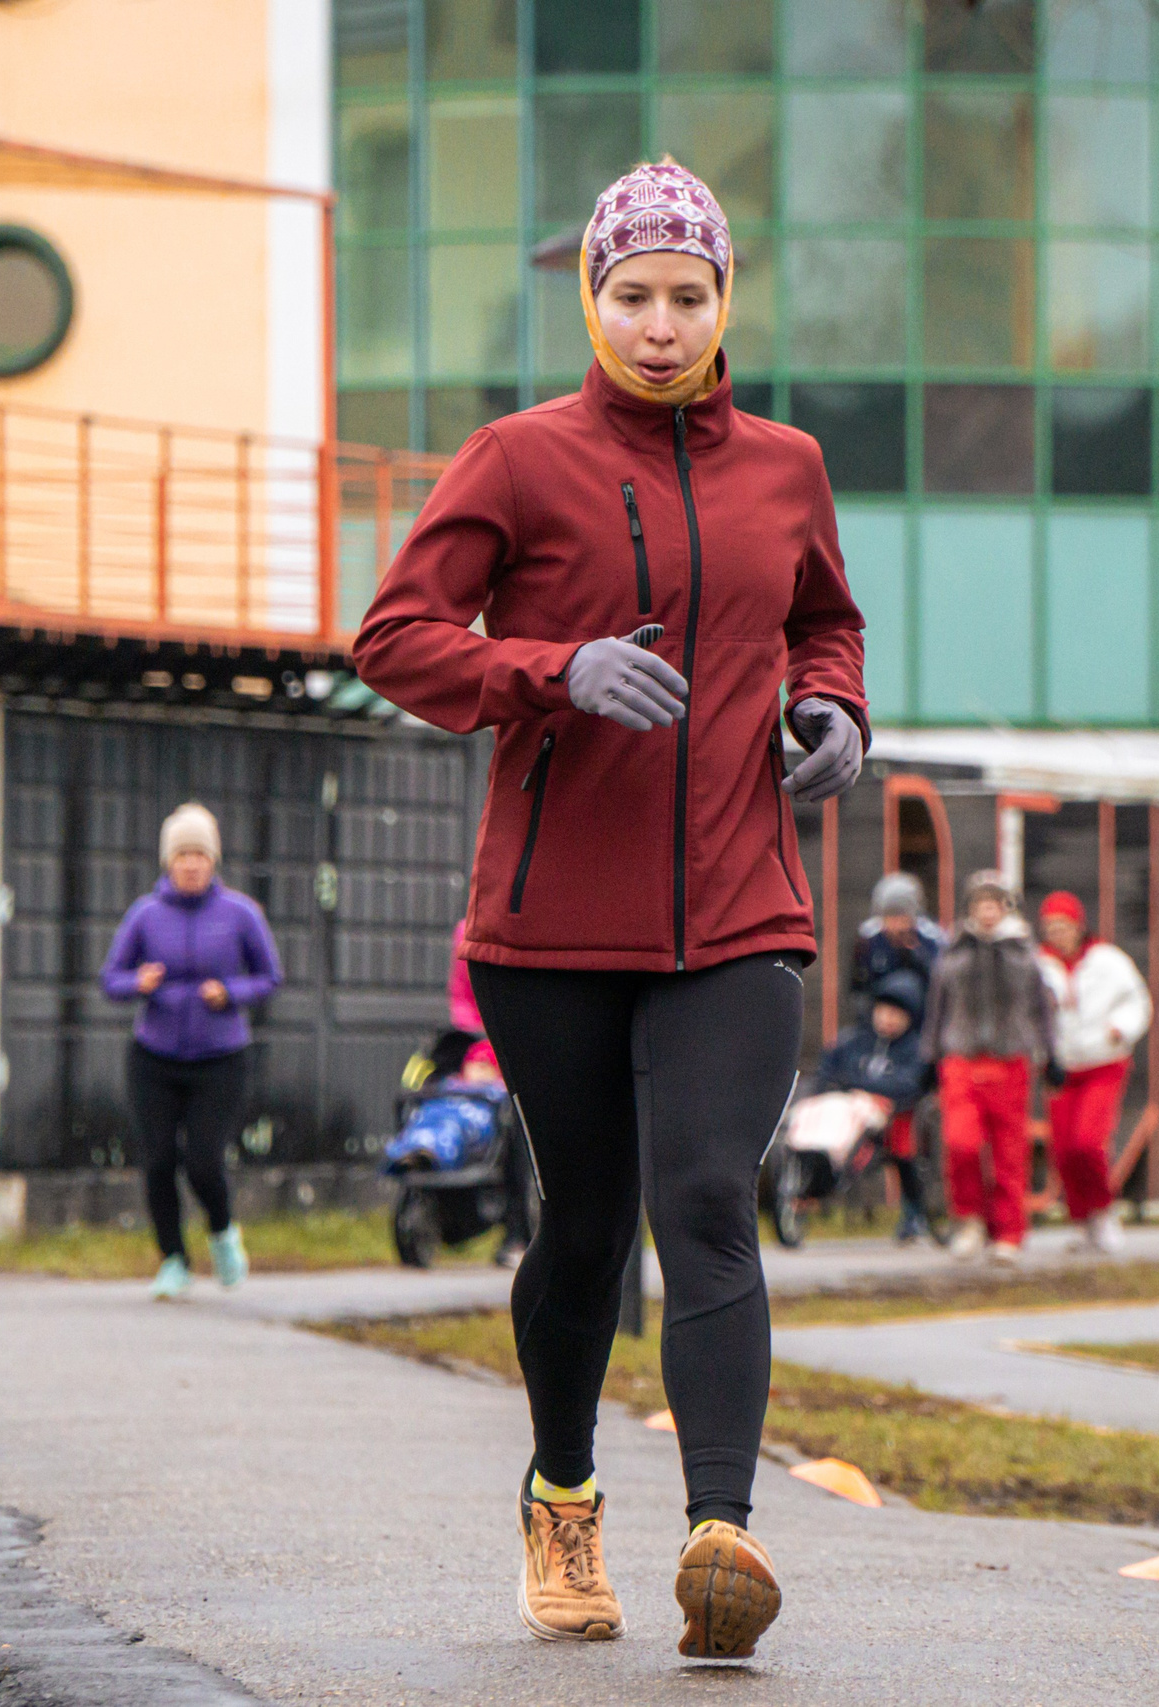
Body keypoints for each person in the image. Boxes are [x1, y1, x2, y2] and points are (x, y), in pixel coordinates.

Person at [351, 158, 866, 1660]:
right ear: (592, 298)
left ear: (724, 302)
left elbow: (822, 621)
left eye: (687, 297)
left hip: (740, 903)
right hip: (554, 921)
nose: (660, 325)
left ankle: (721, 1534)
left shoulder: (789, 466)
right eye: (632, 295)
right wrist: (550, 669)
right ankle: (564, 1494)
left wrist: (834, 706)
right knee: (584, 1224)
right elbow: (394, 637)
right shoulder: (518, 459)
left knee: (705, 1197)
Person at [100, 803, 284, 1300]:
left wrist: (231, 992)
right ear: (168, 861)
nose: (191, 865)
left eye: (200, 855)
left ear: (213, 860)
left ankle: (222, 1233)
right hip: (153, 1056)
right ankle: (173, 1260)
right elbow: (110, 979)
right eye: (182, 855)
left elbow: (270, 977)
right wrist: (138, 982)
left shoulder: (240, 914)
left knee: (203, 1160)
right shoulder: (145, 914)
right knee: (159, 1160)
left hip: (221, 1058)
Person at [921, 871, 1058, 1266]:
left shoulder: (1024, 953)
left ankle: (1009, 1232)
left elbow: (1041, 1008)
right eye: (980, 903)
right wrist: (929, 1056)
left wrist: (1051, 1054)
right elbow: (938, 1006)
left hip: (1010, 1059)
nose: (987, 911)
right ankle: (969, 1221)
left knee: (1008, 1151)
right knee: (961, 1144)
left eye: (994, 903)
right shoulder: (953, 951)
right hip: (961, 1057)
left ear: (1005, 908)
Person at [1035, 892, 1152, 1254]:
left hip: (1104, 1062)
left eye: (1064, 926)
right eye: (1051, 927)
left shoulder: (1107, 960)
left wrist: (1121, 1028)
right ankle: (1081, 1218)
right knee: (1064, 1149)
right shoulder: (1039, 966)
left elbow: (1138, 1001)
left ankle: (1103, 1210)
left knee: (1088, 1142)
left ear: (1079, 925)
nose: (1058, 933)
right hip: (1061, 1067)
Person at [816, 969, 933, 1242]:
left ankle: (913, 1210)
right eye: (883, 1011)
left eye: (896, 1014)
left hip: (894, 1116)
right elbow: (827, 1071)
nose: (888, 1019)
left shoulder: (915, 1048)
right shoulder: (852, 1041)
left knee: (904, 1144)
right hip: (847, 1113)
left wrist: (864, 1088)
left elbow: (911, 1084)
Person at [448, 917, 532, 1266]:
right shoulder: (466, 931)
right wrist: (479, 1049)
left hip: (520, 1052)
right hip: (481, 1052)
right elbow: (462, 1002)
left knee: (519, 1135)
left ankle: (519, 1231)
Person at [849, 871, 945, 1017]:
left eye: (902, 916)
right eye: (890, 917)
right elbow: (859, 987)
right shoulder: (869, 939)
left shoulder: (931, 939)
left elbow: (939, 984)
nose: (897, 925)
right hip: (879, 1017)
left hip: (922, 1016)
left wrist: (916, 955)